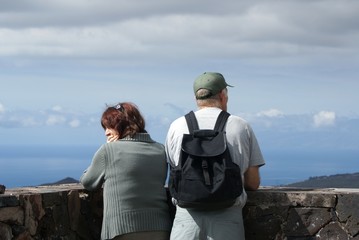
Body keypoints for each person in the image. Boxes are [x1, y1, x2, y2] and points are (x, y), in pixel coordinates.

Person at [165, 72, 265, 240]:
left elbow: (173, 172)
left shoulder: (177, 126)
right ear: (222, 95)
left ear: (197, 98)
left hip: (186, 219)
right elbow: (252, 183)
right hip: (228, 216)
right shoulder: (240, 126)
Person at [80, 102, 172, 240]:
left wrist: (107, 148)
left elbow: (88, 182)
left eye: (109, 126)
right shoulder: (160, 149)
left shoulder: (109, 150)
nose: (106, 132)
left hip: (122, 229)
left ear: (120, 125)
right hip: (161, 227)